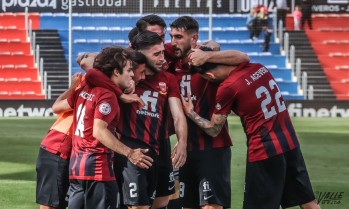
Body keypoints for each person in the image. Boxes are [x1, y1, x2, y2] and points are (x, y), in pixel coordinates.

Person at [181, 54, 321, 209]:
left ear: (210, 76)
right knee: (308, 202)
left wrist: (191, 113)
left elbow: (214, 129)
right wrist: (207, 55)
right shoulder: (259, 68)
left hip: (264, 150)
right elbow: (242, 57)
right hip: (290, 144)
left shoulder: (228, 87)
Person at [86, 32, 188, 209]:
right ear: (139, 53)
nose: (162, 58)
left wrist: (182, 142)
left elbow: (178, 115)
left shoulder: (167, 78)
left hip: (158, 147)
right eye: (156, 54)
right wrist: (120, 93)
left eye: (163, 53)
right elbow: (90, 71)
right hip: (131, 145)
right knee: (137, 205)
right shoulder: (126, 75)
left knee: (162, 200)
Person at [51, 46, 153, 209]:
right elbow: (99, 130)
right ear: (116, 72)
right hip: (97, 171)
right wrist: (130, 153)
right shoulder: (107, 95)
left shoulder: (85, 87)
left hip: (76, 169)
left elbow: (57, 106)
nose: (132, 74)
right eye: (128, 70)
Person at [166, 16, 249, 209]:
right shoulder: (172, 64)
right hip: (185, 150)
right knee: (186, 205)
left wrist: (208, 54)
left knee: (211, 206)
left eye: (179, 36)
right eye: (171, 36)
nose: (173, 42)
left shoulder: (208, 60)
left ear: (194, 39)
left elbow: (242, 58)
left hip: (213, 149)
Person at [35, 53, 97, 209]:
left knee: (61, 201)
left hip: (67, 147)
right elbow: (56, 107)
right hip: (58, 145)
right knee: (51, 203)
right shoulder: (88, 83)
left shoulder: (87, 82)